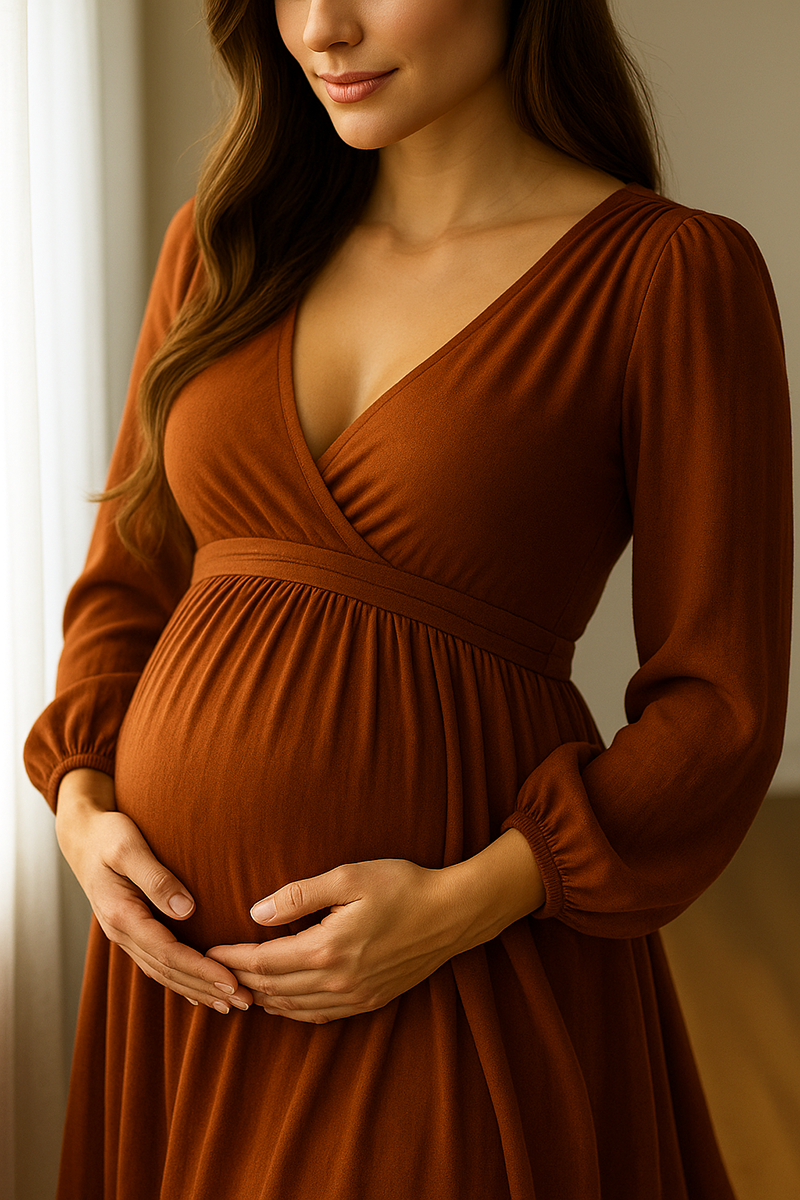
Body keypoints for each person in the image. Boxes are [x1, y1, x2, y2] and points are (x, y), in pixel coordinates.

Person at [24, 0, 792, 1197]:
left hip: (458, 967)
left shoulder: (666, 271)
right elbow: (126, 583)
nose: (323, 28)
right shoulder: (221, 245)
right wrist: (80, 807)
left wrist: (463, 904)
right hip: (181, 989)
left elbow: (720, 702)